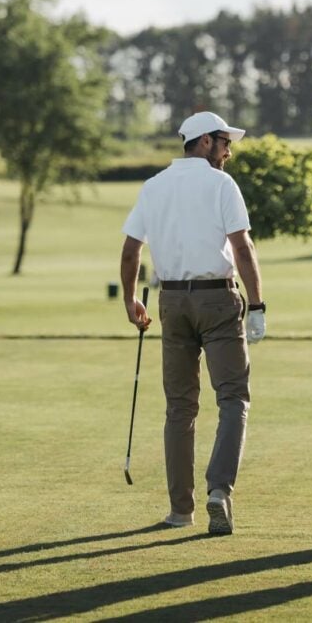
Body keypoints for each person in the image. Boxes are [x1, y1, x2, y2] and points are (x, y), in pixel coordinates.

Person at [120, 110, 266, 536]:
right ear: (204, 142)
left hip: (171, 303)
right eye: (224, 142)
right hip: (218, 300)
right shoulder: (221, 184)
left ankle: (180, 511)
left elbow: (131, 250)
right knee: (233, 397)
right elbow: (243, 247)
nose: (229, 151)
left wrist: (130, 300)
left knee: (180, 406)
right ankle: (219, 490)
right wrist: (256, 306)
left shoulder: (154, 186)